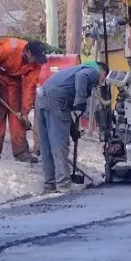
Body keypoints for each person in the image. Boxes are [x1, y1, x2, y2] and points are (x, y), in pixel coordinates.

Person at [36, 61, 109, 194]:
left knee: (46, 144)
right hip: (56, 99)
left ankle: (50, 183)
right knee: (59, 144)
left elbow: (65, 113)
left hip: (42, 96)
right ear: (103, 72)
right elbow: (82, 77)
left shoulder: (71, 72)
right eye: (104, 78)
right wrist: (80, 100)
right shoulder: (92, 71)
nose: (101, 82)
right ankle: (64, 183)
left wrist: (72, 130)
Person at [0, 37, 48, 163]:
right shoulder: (9, 48)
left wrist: (25, 113)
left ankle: (21, 152)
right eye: (35, 58)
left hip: (13, 82)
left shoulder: (35, 64)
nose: (36, 62)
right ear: (28, 53)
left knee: (17, 115)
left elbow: (29, 87)